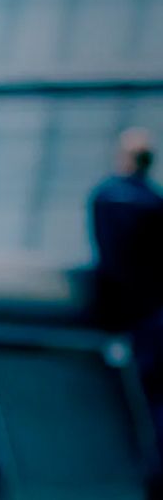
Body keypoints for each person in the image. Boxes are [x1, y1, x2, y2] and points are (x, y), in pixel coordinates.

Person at [90, 128, 163, 495]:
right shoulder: (153, 201)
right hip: (152, 315)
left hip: (124, 315)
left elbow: (109, 257)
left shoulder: (106, 197)